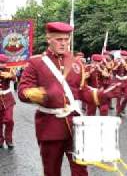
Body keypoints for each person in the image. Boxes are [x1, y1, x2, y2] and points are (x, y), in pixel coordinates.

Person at [18, 22, 119, 176]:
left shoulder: (76, 62)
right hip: (50, 126)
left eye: (66, 39)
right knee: (51, 170)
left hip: (75, 125)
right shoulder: (36, 63)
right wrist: (43, 94)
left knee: (81, 170)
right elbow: (22, 91)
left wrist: (100, 95)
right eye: (59, 39)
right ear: (49, 39)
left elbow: (81, 91)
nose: (63, 43)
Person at [0, 54, 16, 150]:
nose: (3, 65)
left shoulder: (9, 70)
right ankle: (0, 140)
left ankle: (9, 139)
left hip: (7, 98)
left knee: (9, 120)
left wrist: (12, 76)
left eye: (4, 63)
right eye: (1, 63)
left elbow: (15, 79)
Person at [113, 50, 127, 117]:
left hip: (125, 80)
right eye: (122, 56)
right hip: (118, 80)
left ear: (126, 56)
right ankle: (118, 111)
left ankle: (122, 107)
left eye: (124, 56)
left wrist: (124, 64)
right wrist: (118, 64)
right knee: (118, 97)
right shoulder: (116, 61)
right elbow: (113, 71)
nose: (123, 57)